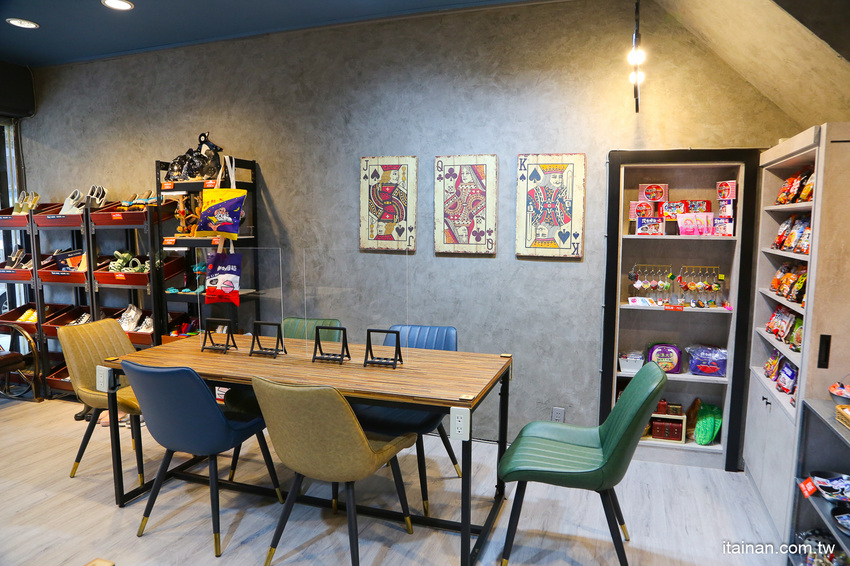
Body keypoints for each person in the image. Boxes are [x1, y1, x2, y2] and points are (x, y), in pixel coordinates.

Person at [443, 164, 486, 244]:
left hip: (468, 221)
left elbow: (485, 201)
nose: (464, 175)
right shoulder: (458, 189)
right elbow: (445, 209)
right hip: (458, 221)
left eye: (467, 173)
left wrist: (472, 212)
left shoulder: (479, 191)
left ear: (472, 175)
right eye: (462, 173)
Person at [370, 165, 406, 241]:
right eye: (395, 174)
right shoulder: (376, 188)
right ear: (388, 174)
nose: (397, 176)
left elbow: (402, 206)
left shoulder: (400, 190)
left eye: (397, 174)